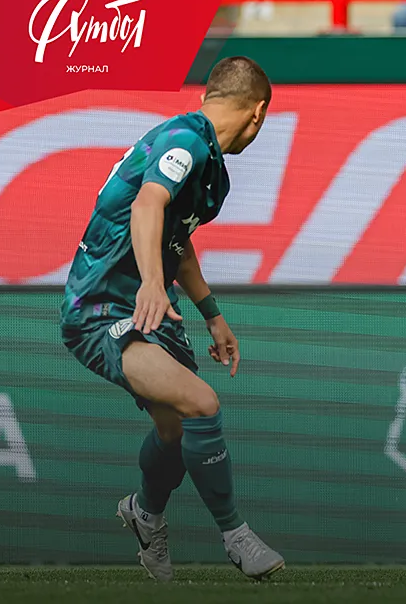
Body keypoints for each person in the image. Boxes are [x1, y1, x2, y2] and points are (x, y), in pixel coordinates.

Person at [59, 56, 284, 582]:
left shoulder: (205, 161)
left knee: (176, 429)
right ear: (258, 112)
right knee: (202, 404)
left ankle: (144, 512)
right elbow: (146, 207)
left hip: (146, 307)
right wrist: (152, 284)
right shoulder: (185, 143)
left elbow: (174, 239)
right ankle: (235, 534)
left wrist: (212, 314)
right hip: (101, 311)